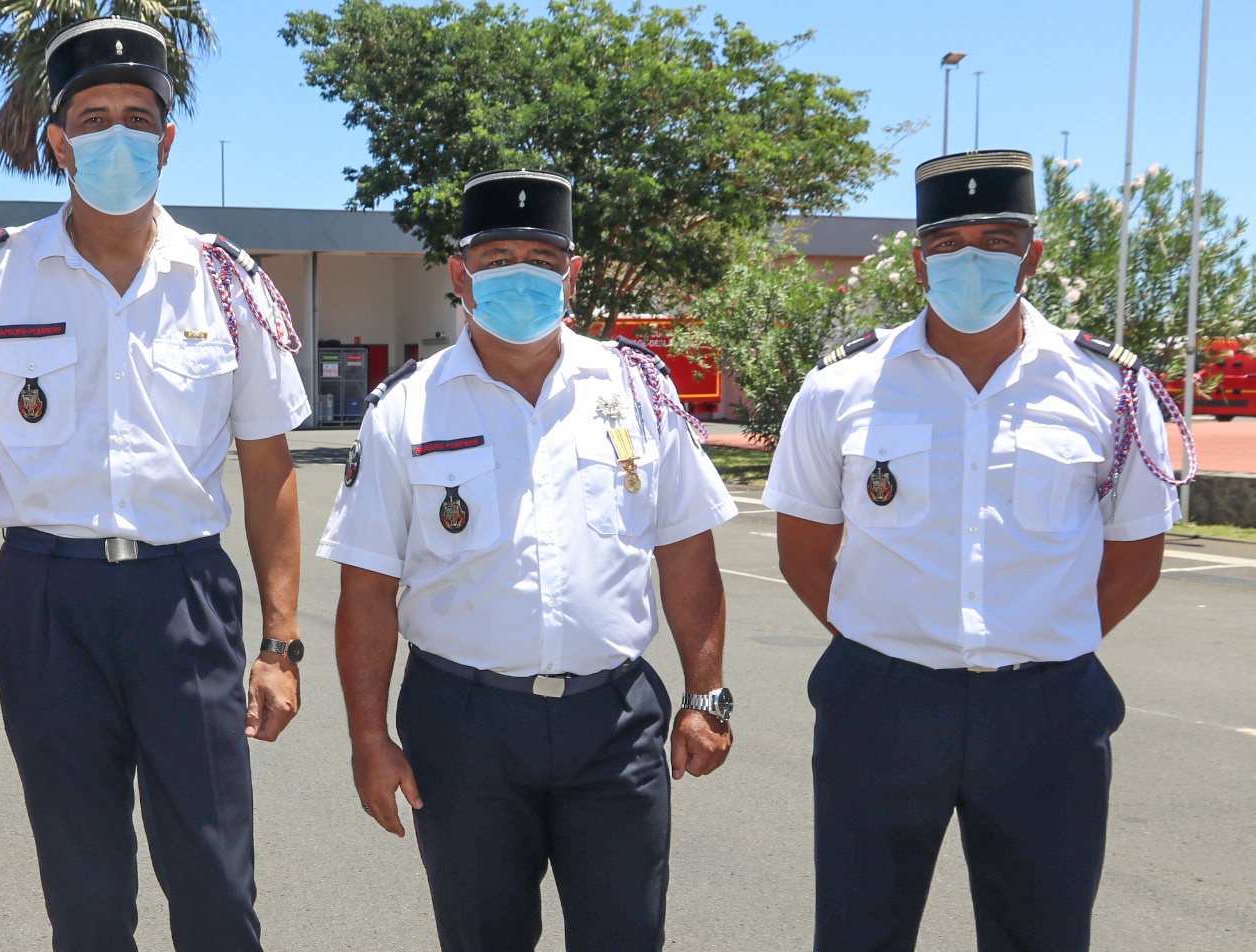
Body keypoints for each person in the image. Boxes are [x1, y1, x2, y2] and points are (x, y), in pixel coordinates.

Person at [0, 17, 310, 952]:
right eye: (92, 118)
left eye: (137, 117)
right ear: (57, 141)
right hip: (45, 600)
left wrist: (280, 642)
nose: (116, 135)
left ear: (167, 140)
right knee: (83, 896)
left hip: (185, 597)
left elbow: (269, 468)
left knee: (216, 885)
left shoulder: (225, 282)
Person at [765, 149, 1188, 952]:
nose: (971, 260)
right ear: (918, 259)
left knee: (1043, 935)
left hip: (1045, 710)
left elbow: (1135, 557)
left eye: (996, 241)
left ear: (1031, 255)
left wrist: (1039, 638)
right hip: (880, 704)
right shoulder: (840, 386)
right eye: (948, 242)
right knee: (858, 933)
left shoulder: (1109, 388)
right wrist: (888, 642)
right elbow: (803, 551)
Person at [317, 169, 737, 952]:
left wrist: (705, 695)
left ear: (571, 274)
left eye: (541, 259)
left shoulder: (638, 391)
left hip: (613, 721)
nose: (521, 274)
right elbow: (367, 586)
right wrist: (367, 739)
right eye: (498, 257)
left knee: (625, 936)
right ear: (459, 274)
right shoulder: (404, 407)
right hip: (463, 725)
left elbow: (685, 546)